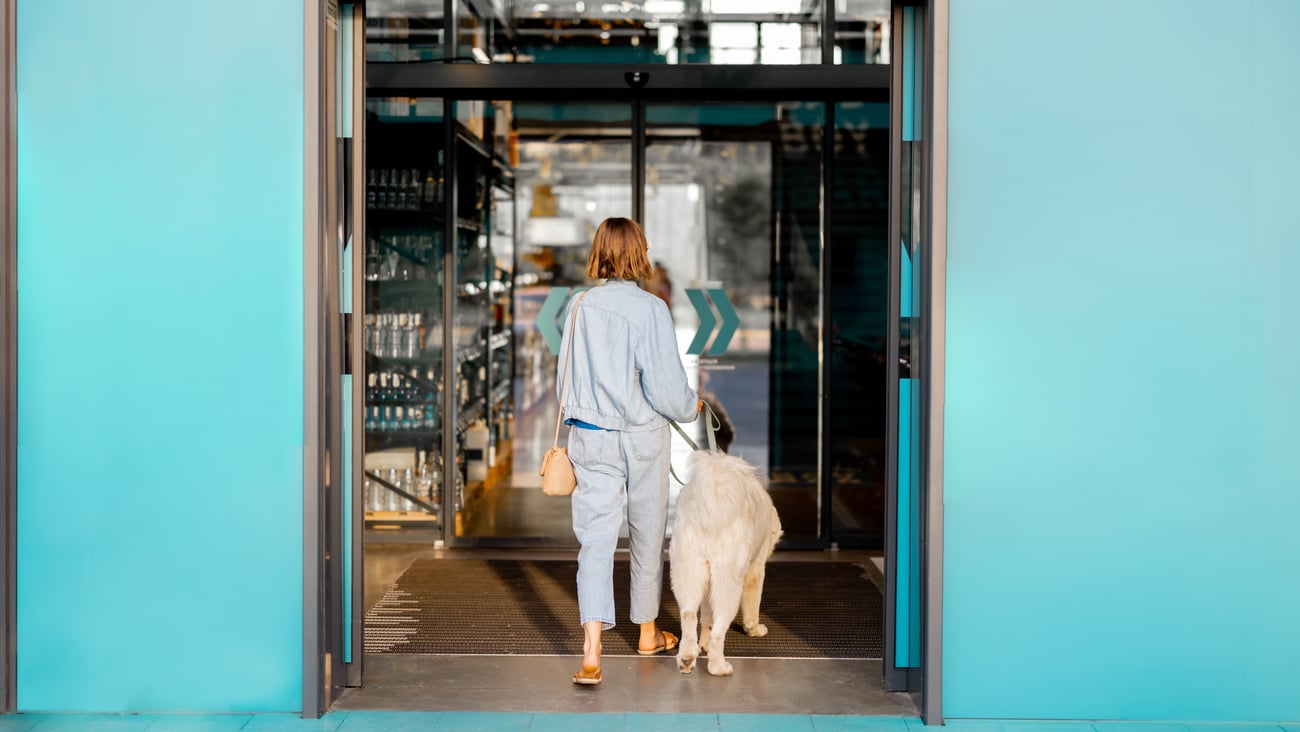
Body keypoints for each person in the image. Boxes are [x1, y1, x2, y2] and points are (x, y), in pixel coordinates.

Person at [556, 217, 701, 686]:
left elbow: (564, 382)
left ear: (599, 252)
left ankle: (592, 652)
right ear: (639, 251)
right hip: (641, 437)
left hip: (591, 437)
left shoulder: (577, 306)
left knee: (594, 541)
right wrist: (691, 406)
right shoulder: (651, 309)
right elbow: (665, 389)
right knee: (646, 532)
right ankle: (646, 632)